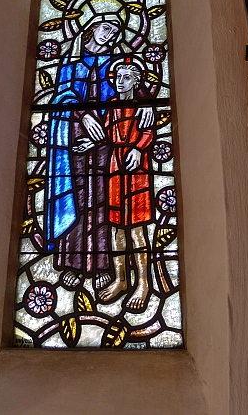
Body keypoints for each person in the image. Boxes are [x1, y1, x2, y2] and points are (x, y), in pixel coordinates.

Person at [45, 0, 153, 289]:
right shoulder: (71, 62)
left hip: (109, 141)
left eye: (115, 32)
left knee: (105, 200)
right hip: (75, 136)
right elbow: (60, 96)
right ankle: (73, 262)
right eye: (106, 28)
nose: (110, 35)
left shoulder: (116, 64)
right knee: (78, 196)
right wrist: (82, 115)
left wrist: (146, 103)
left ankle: (104, 264)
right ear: (91, 28)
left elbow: (134, 89)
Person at [74, 63, 153, 310]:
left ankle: (143, 283)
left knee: (137, 229)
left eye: (127, 77)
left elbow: (148, 133)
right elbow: (108, 135)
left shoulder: (143, 107)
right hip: (115, 167)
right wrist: (91, 143)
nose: (120, 81)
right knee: (116, 228)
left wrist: (138, 149)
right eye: (118, 76)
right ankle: (121, 279)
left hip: (136, 168)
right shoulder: (111, 106)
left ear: (136, 82)